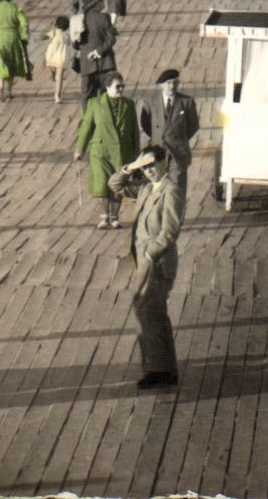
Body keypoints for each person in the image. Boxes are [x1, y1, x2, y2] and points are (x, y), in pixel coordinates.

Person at [110, 145, 184, 389]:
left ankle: (159, 370)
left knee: (150, 311)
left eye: (152, 165)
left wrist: (150, 254)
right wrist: (131, 167)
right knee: (149, 312)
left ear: (164, 163)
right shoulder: (145, 188)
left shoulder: (171, 191)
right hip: (141, 259)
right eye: (145, 167)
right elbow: (115, 185)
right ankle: (162, 368)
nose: (149, 171)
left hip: (156, 261)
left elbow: (170, 231)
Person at [73, 73, 138, 229]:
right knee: (102, 183)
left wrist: (136, 152)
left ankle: (115, 216)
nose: (121, 89)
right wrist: (79, 149)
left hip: (121, 151)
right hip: (100, 151)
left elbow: (134, 130)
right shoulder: (94, 104)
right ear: (107, 87)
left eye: (122, 86)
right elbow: (86, 128)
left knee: (117, 184)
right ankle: (104, 216)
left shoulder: (128, 105)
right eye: (117, 86)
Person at [138, 68, 201, 195]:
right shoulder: (151, 102)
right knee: (158, 186)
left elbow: (193, 125)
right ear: (161, 85)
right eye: (168, 83)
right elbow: (145, 123)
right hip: (158, 151)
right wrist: (158, 136)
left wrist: (178, 138)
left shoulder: (186, 102)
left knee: (177, 187)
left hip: (178, 153)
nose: (172, 86)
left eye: (175, 83)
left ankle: (178, 208)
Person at [73, 3, 119, 110]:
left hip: (87, 65)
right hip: (105, 64)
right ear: (95, 5)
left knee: (87, 97)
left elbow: (75, 45)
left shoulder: (77, 20)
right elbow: (111, 39)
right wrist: (98, 50)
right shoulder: (104, 17)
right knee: (108, 95)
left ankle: (87, 117)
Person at [42, 15, 71, 104]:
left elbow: (45, 36)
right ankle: (57, 96)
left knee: (55, 73)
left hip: (52, 56)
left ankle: (54, 78)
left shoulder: (54, 32)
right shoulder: (67, 35)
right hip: (62, 57)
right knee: (59, 77)